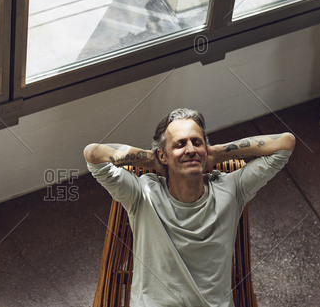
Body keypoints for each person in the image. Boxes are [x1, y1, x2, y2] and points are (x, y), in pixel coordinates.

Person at [83, 108, 295, 307]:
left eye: (197, 142)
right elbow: (93, 154)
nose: (191, 149)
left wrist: (217, 153)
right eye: (180, 144)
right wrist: (151, 159)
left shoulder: (232, 189)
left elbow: (285, 143)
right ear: (162, 155)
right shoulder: (142, 194)